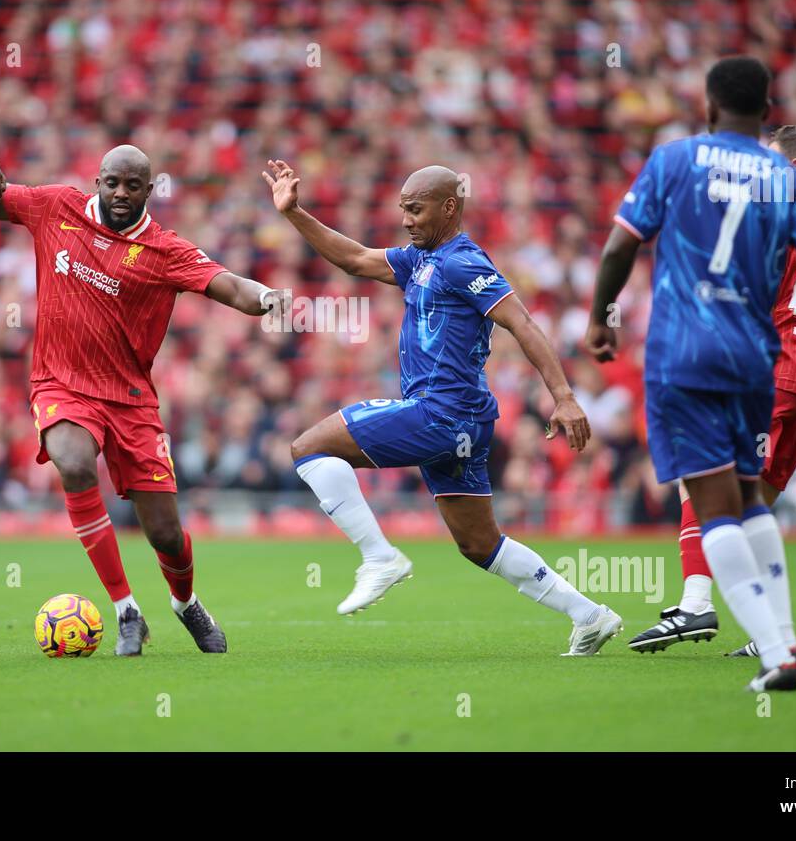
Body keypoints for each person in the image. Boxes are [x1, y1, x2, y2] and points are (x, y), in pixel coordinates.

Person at [585, 57, 796, 692]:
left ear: (711, 106)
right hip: (756, 358)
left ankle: (754, 639)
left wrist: (601, 319)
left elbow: (619, 246)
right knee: (749, 499)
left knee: (710, 504)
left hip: (685, 353)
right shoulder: (786, 178)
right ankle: (781, 639)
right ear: (766, 111)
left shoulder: (675, 158)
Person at [265, 159, 623, 657]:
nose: (406, 220)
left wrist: (563, 396)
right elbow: (353, 259)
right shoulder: (420, 259)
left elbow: (521, 323)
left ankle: (379, 558)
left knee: (309, 448)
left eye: (415, 210)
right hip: (466, 420)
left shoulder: (462, 262)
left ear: (449, 207)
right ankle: (590, 615)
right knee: (480, 545)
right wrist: (295, 213)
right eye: (402, 211)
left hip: (443, 413)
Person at [0, 145, 277, 656]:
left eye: (133, 186)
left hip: (131, 401)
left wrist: (266, 298)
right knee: (73, 463)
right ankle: (126, 610)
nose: (120, 193)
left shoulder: (164, 249)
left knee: (165, 534)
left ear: (149, 191)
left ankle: (185, 602)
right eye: (112, 182)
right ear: (97, 181)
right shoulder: (56, 207)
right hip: (61, 383)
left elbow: (227, 286)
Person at [628, 125, 796, 657]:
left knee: (699, 475)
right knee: (754, 507)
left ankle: (695, 602)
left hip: (767, 374)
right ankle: (771, 632)